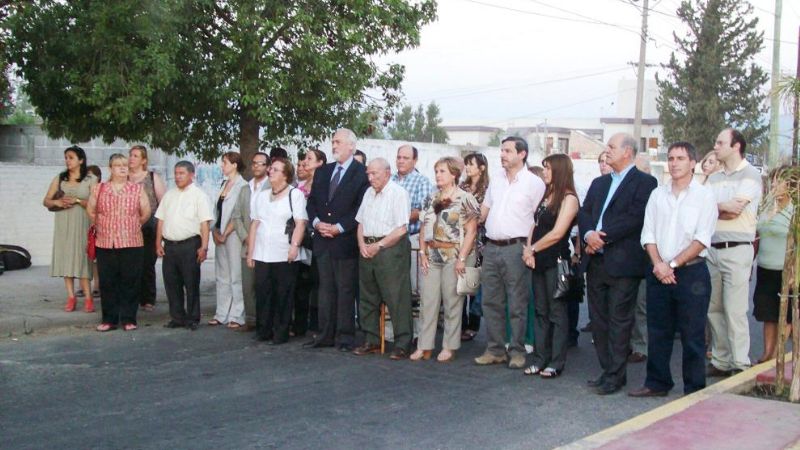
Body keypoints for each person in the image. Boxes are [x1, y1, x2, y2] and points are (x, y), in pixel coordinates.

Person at [628, 142, 717, 397]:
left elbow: (702, 238)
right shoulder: (658, 195)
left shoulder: (704, 196)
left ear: (692, 163)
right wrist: (658, 265)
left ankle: (694, 389)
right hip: (658, 272)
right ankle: (657, 382)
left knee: (692, 335)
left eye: (680, 158)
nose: (674, 163)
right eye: (671, 158)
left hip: (691, 273)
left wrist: (672, 265)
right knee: (658, 331)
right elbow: (648, 234)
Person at [578, 133, 657, 395]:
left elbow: (636, 218)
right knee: (599, 320)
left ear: (627, 152)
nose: (607, 150)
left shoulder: (645, 182)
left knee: (620, 320)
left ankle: (616, 374)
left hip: (623, 263)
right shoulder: (599, 183)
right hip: (595, 261)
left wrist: (603, 237)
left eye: (611, 147)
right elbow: (585, 212)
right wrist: (589, 234)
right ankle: (607, 370)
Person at [474, 137, 545, 369]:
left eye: (507, 150)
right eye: (501, 150)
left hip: (517, 248)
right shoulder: (496, 181)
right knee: (491, 301)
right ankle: (495, 349)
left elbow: (539, 220)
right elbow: (483, 212)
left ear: (522, 154)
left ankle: (516, 350)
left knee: (517, 302)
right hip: (492, 247)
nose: (502, 154)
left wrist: (530, 248)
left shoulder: (534, 183)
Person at [304, 128, 369, 351]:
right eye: (332, 142)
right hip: (322, 240)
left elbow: (361, 207)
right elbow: (311, 202)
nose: (334, 146)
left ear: (351, 146)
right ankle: (325, 334)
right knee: (325, 290)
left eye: (338, 142)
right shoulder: (324, 172)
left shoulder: (361, 173)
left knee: (345, 290)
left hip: (345, 241)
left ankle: (345, 336)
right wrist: (316, 223)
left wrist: (340, 227)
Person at [705, 128, 762, 377]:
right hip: (712, 249)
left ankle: (740, 362)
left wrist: (714, 208)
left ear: (736, 146)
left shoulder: (751, 175)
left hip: (738, 249)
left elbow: (735, 210)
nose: (715, 147)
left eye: (720, 142)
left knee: (735, 308)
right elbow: (704, 209)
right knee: (713, 307)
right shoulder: (714, 179)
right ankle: (721, 359)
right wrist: (719, 207)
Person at [412, 157, 480, 362]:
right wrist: (422, 252)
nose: (438, 175)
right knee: (428, 301)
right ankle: (424, 346)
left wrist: (461, 258)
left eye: (442, 171)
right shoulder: (431, 198)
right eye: (436, 171)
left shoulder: (466, 198)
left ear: (454, 174)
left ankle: (450, 346)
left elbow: (471, 231)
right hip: (432, 254)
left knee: (452, 302)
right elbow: (424, 226)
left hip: (454, 255)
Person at [522, 153, 580, 378]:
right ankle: (539, 358)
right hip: (538, 260)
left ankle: (556, 361)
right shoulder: (547, 195)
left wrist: (533, 248)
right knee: (540, 311)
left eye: (548, 168)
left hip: (556, 260)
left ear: (559, 170)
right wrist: (528, 249)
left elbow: (557, 233)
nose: (544, 172)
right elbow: (534, 225)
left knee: (556, 312)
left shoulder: (569, 198)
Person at [352, 158, 413, 360]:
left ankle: (402, 342)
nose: (370, 178)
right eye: (368, 174)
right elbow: (360, 222)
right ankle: (372, 339)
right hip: (368, 247)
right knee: (368, 296)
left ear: (387, 173)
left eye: (374, 174)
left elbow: (401, 229)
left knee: (396, 297)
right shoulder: (369, 193)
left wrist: (378, 245)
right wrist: (362, 244)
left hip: (390, 249)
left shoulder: (398, 193)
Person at [247, 157, 308, 344]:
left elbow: (300, 223)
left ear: (286, 175)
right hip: (263, 252)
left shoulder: (295, 194)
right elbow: (254, 225)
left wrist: (294, 246)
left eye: (275, 169)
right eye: (270, 169)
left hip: (283, 252)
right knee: (263, 292)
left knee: (283, 293)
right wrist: (250, 253)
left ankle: (280, 331)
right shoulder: (261, 196)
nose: (270, 172)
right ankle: (263, 330)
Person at [87, 154, 151, 332]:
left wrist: (133, 225)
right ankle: (109, 319)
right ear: (110, 168)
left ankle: (129, 319)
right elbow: (91, 210)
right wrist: (102, 225)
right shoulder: (99, 189)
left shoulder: (136, 189)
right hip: (105, 242)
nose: (122, 168)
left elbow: (146, 211)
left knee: (130, 281)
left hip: (131, 242)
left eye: (125, 165)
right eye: (118, 165)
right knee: (108, 282)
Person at [155, 161, 214, 331]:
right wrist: (158, 242)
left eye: (181, 173)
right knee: (171, 283)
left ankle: (193, 317)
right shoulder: (169, 195)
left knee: (191, 283)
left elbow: (204, 223)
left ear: (191, 175)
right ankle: (177, 317)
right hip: (170, 246)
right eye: (176, 173)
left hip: (190, 244)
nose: (178, 176)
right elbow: (160, 220)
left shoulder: (199, 196)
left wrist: (204, 247)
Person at [43, 145, 98, 313]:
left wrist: (77, 201)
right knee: (66, 258)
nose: (67, 160)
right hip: (64, 222)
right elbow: (46, 201)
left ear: (81, 160)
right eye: (66, 157)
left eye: (71, 157)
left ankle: (89, 299)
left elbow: (96, 204)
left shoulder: (91, 179)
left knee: (82, 259)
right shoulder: (60, 178)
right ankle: (71, 297)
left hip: (82, 222)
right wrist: (57, 203)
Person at [753, 165, 793, 363]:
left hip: (787, 270)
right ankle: (767, 353)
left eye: (779, 180)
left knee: (786, 314)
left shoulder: (795, 209)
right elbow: (758, 234)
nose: (774, 184)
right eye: (773, 180)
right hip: (765, 267)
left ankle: (779, 352)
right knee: (767, 312)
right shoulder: (768, 204)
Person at [207, 152, 248, 328]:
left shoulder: (242, 186)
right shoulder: (223, 184)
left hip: (234, 235)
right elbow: (217, 210)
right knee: (222, 275)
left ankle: (237, 314)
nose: (222, 166)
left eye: (225, 163)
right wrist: (215, 231)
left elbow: (237, 213)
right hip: (220, 233)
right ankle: (221, 312)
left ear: (234, 165)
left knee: (236, 275)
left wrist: (226, 233)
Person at [231, 152, 270, 331]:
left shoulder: (272, 187)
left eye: (260, 164)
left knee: (264, 285)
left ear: (268, 167)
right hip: (247, 243)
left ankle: (266, 321)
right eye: (254, 163)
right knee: (248, 285)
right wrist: (246, 236)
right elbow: (236, 216)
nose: (256, 167)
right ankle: (251, 319)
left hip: (267, 244)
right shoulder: (245, 189)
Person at [292, 148, 327, 335]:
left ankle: (316, 324)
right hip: (301, 238)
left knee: (317, 282)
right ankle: (299, 324)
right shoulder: (300, 186)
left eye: (309, 158)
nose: (305, 161)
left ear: (320, 163)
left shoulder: (323, 184)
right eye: (304, 158)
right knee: (301, 282)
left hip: (316, 238)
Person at [128, 145, 167, 312]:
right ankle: (132, 296)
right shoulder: (124, 177)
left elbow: (164, 202)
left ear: (143, 160)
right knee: (130, 263)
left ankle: (148, 298)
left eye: (136, 156)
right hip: (128, 226)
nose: (131, 158)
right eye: (130, 155)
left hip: (149, 226)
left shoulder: (151, 177)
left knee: (147, 263)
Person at [459, 152, 489, 341]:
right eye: (466, 164)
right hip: (460, 239)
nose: (468, 167)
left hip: (480, 241)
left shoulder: (488, 189)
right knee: (460, 282)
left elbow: (483, 216)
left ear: (482, 167)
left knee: (475, 283)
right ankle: (460, 323)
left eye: (471, 164)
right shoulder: (461, 187)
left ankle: (474, 323)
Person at [392, 144, 435, 237]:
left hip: (408, 237)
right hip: (383, 234)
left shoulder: (423, 181)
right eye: (399, 157)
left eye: (406, 158)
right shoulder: (389, 180)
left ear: (415, 161)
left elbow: (423, 210)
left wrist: (393, 220)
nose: (401, 161)